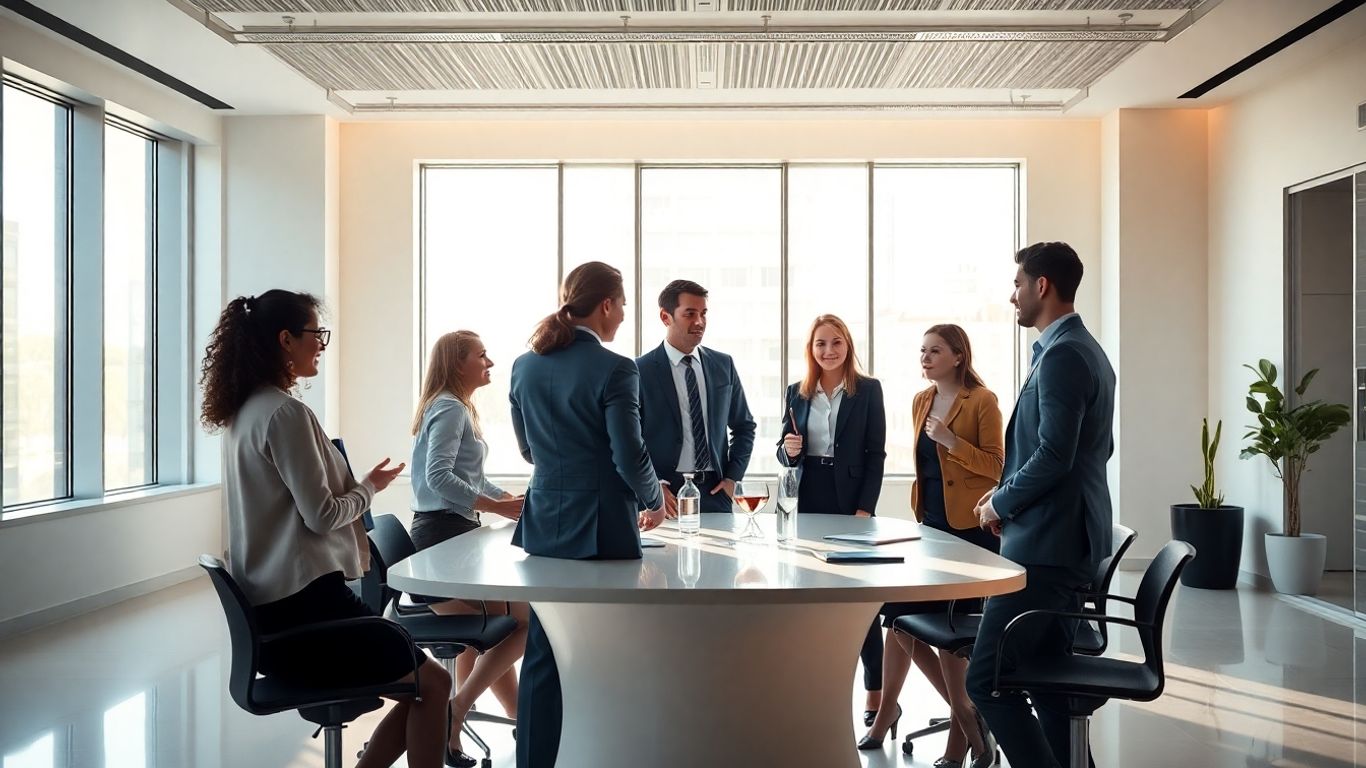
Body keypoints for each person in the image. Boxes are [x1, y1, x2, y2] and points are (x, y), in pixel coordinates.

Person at [201, 289, 450, 768]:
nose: (320, 344)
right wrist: (367, 489)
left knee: (426, 684)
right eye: (316, 334)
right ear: (285, 339)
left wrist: (359, 485)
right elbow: (324, 515)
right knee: (434, 685)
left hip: (277, 619)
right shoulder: (285, 413)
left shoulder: (244, 413)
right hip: (309, 616)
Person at [508, 261, 667, 768]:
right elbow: (629, 453)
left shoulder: (523, 365)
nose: (622, 316)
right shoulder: (617, 368)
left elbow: (529, 452)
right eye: (621, 305)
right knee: (612, 654)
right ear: (605, 305)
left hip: (545, 526)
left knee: (543, 654)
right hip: (603, 528)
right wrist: (654, 499)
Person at [966, 241, 1116, 768]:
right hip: (1057, 539)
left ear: (1042, 287)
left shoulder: (1066, 355)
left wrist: (1001, 504)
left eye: (1017, 285)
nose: (1013, 296)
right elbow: (1080, 453)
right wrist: (1004, 491)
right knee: (1049, 684)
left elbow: (1056, 455)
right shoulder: (1075, 348)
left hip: (1049, 552)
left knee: (986, 681)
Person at [861, 324, 1003, 768]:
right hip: (933, 529)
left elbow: (998, 468)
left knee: (948, 630)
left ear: (959, 356)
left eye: (935, 351)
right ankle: (893, 711)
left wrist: (952, 442)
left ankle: (961, 738)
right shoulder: (921, 401)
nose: (924, 358)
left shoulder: (983, 401)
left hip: (970, 534)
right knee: (898, 615)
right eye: (922, 350)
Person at [409, 330, 529, 768]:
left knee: (499, 627)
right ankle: (458, 712)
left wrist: (507, 503)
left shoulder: (454, 408)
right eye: (481, 356)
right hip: (441, 538)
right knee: (520, 623)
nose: (490, 362)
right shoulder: (448, 407)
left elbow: (471, 480)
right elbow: (439, 478)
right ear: (458, 363)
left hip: (451, 533)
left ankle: (507, 720)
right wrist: (497, 506)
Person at [777, 314, 887, 724]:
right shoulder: (797, 392)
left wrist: (865, 509)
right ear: (811, 349)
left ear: (848, 345)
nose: (828, 351)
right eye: (820, 343)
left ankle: (876, 695)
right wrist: (789, 449)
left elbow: (876, 455)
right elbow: (785, 454)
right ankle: (814, 688)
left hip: (850, 501)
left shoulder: (868, 390)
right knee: (809, 597)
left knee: (861, 603)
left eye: (835, 342)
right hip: (808, 497)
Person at [636, 279, 756, 516]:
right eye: (689, 314)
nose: (699, 322)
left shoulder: (724, 365)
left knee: (721, 554)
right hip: (664, 495)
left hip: (715, 492)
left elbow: (744, 427)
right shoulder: (639, 370)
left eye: (703, 313)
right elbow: (631, 440)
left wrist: (733, 478)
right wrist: (653, 485)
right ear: (665, 317)